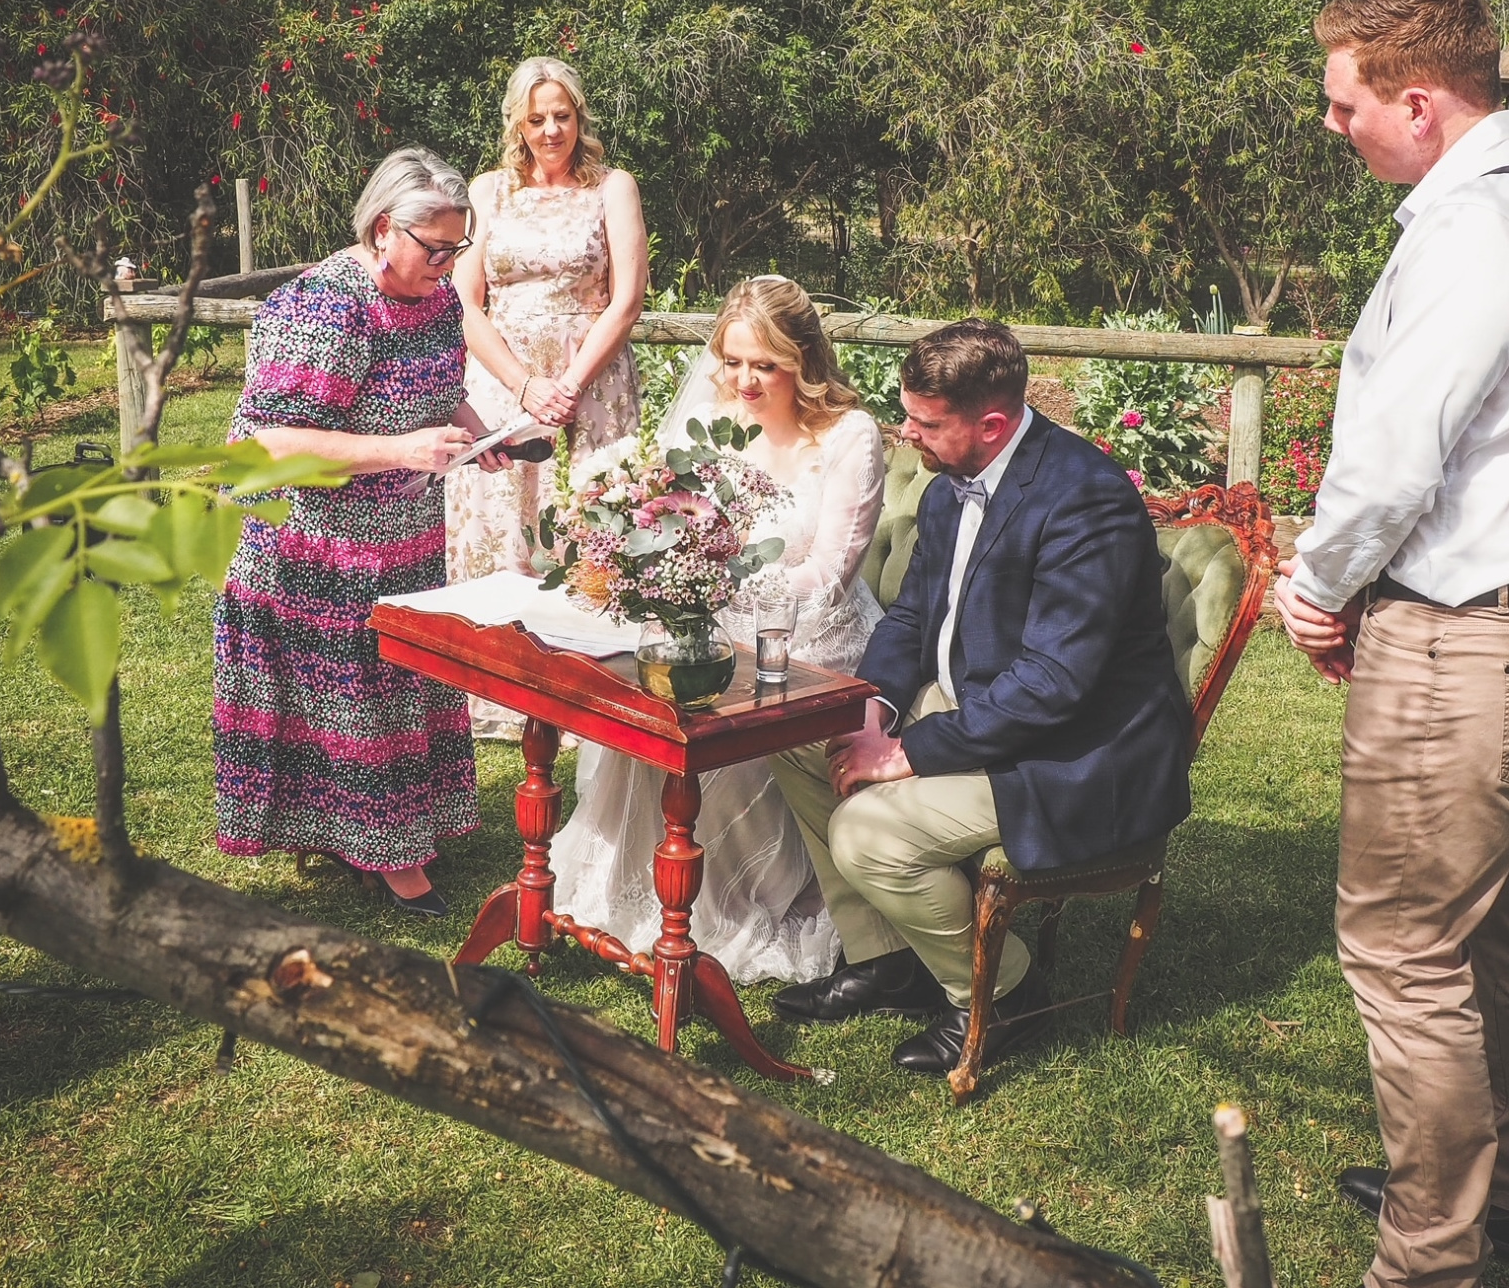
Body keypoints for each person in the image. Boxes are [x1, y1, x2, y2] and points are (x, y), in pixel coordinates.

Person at [1272, 0, 1509, 1285]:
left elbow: (1397, 454)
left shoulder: (1476, 228)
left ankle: (1428, 1257)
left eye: (1344, 100)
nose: (1332, 122)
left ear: (1419, 101)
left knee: (1405, 950)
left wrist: (1317, 585)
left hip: (1467, 631)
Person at [768, 319, 1191, 1076]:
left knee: (870, 834)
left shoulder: (1084, 501)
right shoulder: (945, 488)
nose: (908, 436)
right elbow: (908, 619)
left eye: (926, 424)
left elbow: (1053, 685)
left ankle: (1005, 995)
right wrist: (873, 713)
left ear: (991, 425)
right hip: (982, 709)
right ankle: (890, 960)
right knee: (797, 738)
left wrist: (906, 754)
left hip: (1078, 755)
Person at [548, 276, 885, 983]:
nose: (744, 381)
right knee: (650, 695)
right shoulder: (716, 424)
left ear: (803, 359)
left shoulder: (849, 436)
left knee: (717, 717)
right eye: (732, 362)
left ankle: (749, 898)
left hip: (811, 642)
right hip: (705, 623)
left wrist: (714, 589)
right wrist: (652, 572)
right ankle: (654, 887)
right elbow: (670, 521)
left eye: (765, 364)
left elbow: (830, 573)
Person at [214, 148, 513, 916]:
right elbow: (266, 445)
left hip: (404, 536)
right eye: (435, 249)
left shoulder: (436, 298)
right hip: (316, 544)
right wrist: (399, 450)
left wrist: (479, 433)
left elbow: (443, 391)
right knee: (351, 696)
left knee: (395, 686)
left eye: (457, 250)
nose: (448, 267)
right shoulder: (324, 307)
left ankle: (379, 832)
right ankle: (387, 853)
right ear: (386, 229)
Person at [446, 56, 647, 740]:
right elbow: (465, 303)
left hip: (590, 378)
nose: (551, 129)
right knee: (505, 521)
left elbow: (626, 299)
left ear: (579, 117)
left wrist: (569, 385)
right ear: (517, 124)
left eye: (562, 115)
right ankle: (498, 693)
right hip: (505, 379)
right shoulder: (487, 193)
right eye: (536, 119)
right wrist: (524, 385)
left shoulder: (612, 187)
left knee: (585, 523)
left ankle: (587, 688)